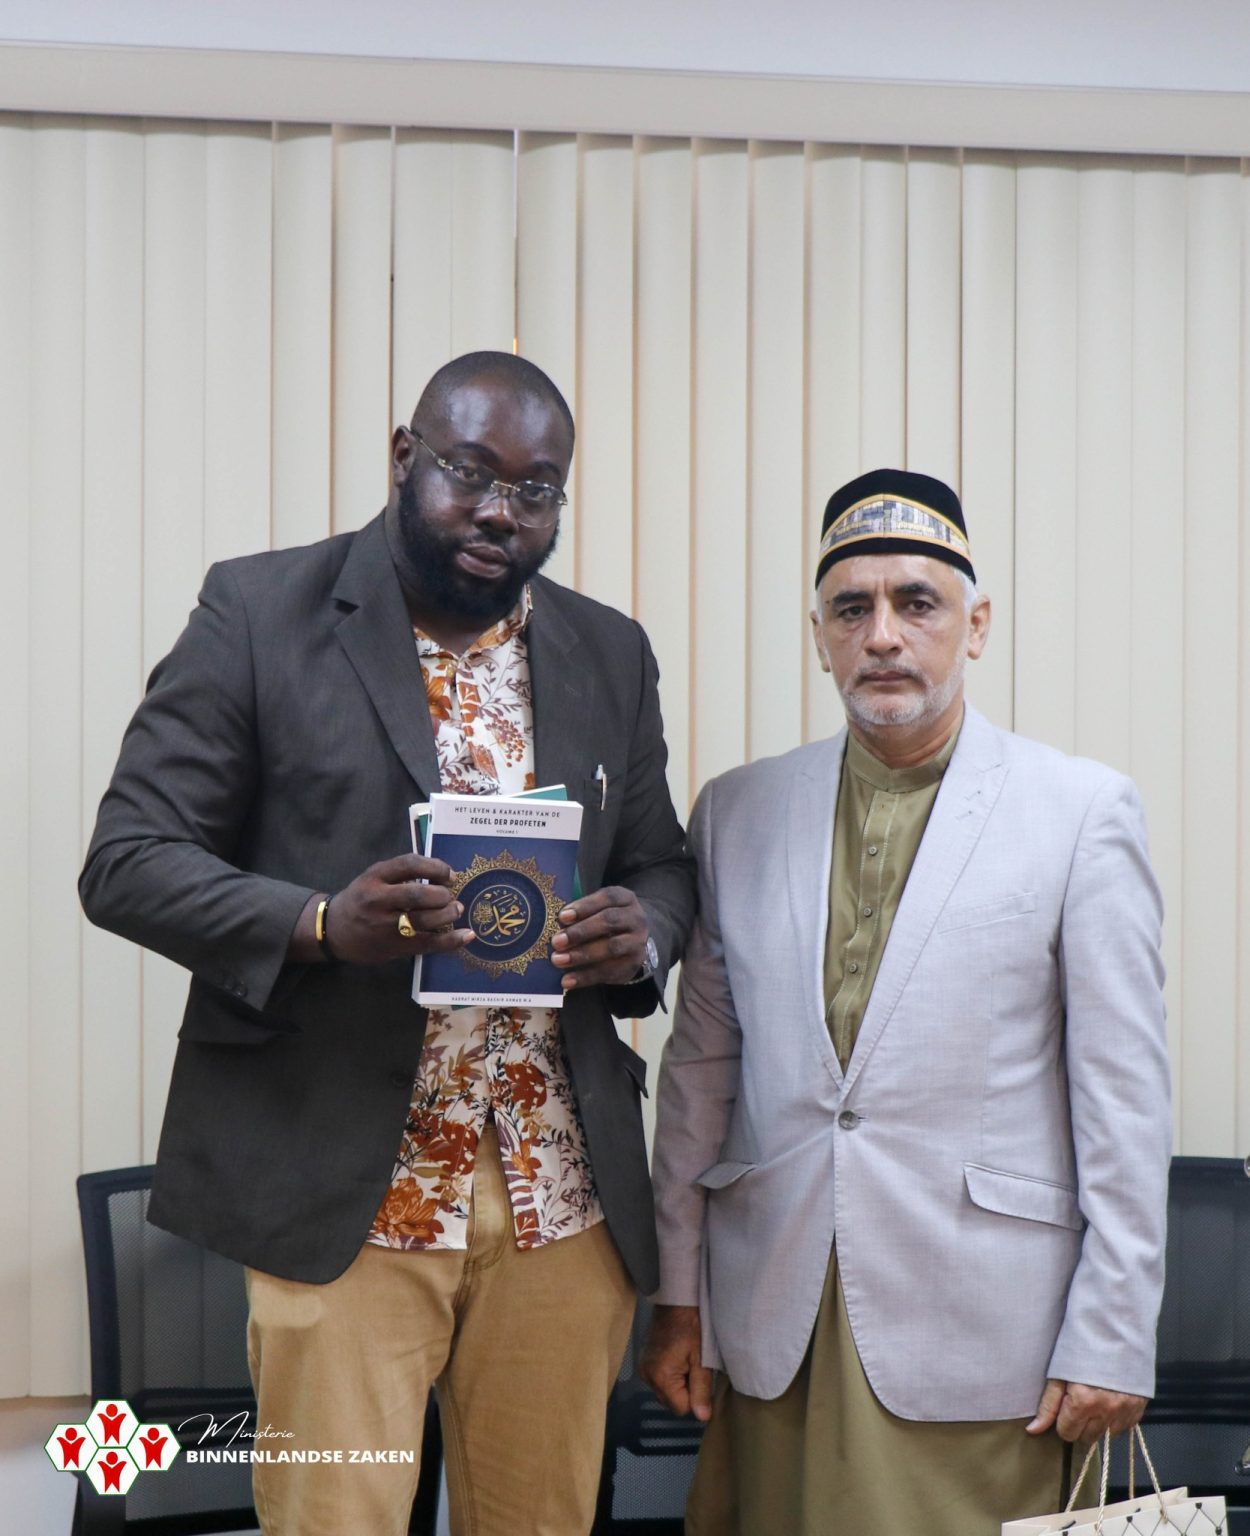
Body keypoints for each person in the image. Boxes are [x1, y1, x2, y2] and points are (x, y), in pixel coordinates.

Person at [80, 350, 696, 1536]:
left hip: (560, 1199)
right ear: (405, 457)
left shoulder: (607, 650)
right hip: (350, 1194)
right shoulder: (259, 613)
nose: (499, 511)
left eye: (535, 489)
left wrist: (646, 931)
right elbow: (128, 860)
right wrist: (318, 924)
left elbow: (659, 862)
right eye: (470, 472)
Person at [642, 468, 1170, 1535]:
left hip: (985, 1336)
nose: (881, 634)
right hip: (776, 1320)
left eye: (915, 602)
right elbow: (700, 1074)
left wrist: (1113, 1332)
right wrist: (678, 1294)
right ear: (819, 637)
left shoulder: (1077, 811)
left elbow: (1122, 1098)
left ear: (975, 625)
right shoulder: (738, 811)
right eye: (852, 608)